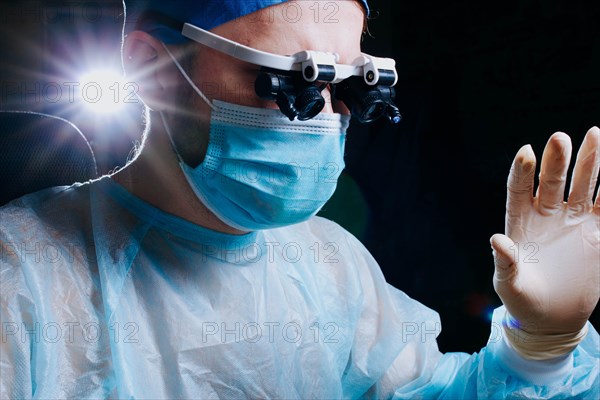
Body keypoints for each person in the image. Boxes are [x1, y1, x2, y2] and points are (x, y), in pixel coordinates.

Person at [1, 0, 598, 398]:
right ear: (153, 70)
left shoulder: (326, 264)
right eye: (294, 83)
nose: (326, 121)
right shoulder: (22, 278)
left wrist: (537, 347)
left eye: (348, 89)